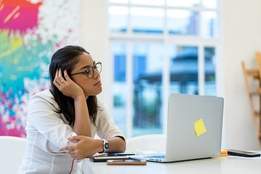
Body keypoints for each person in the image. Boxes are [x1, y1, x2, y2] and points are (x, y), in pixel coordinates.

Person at [20, 45, 126, 173]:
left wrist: (99, 145)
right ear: (64, 78)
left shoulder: (93, 103)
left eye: (94, 67)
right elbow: (78, 147)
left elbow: (120, 143)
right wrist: (78, 96)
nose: (96, 75)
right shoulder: (41, 103)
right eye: (87, 71)